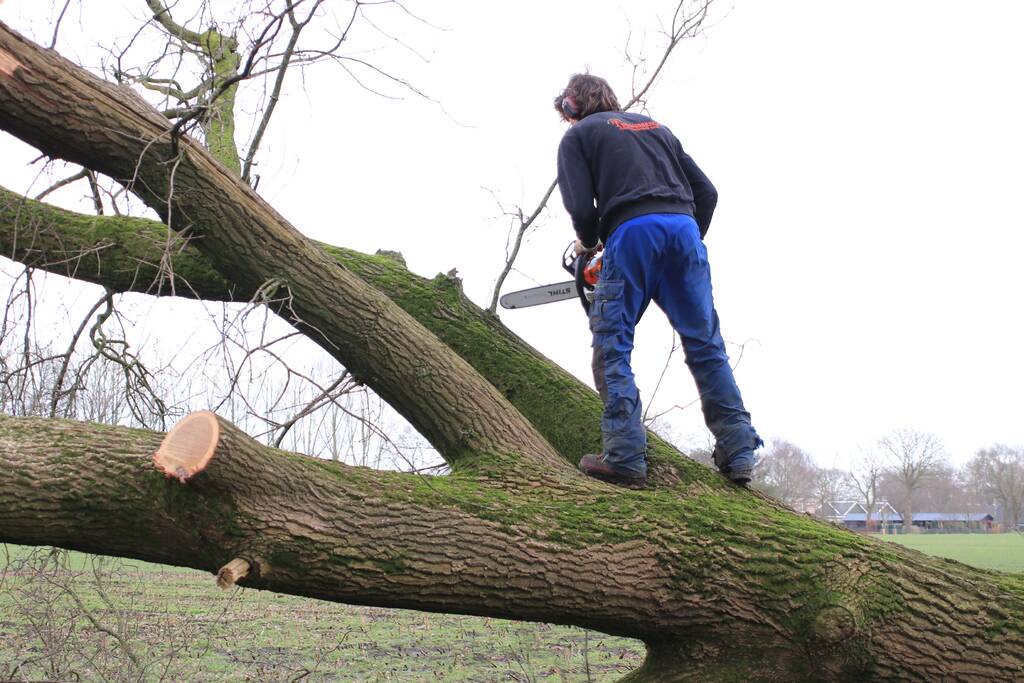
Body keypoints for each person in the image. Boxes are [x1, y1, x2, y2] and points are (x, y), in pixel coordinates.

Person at [553, 73, 762, 488]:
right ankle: (738, 450)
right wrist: (681, 241)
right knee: (705, 344)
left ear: (572, 107)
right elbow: (708, 192)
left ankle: (625, 455)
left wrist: (590, 245)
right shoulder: (656, 128)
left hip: (632, 236)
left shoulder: (578, 137)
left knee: (612, 344)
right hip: (685, 232)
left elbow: (580, 207)